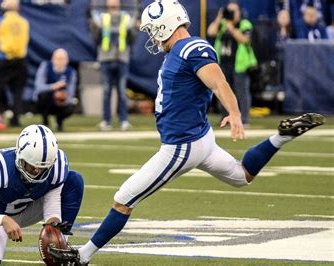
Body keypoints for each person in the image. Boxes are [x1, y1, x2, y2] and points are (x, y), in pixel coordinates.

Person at [48, 1, 325, 264]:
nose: (153, 37)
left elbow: (218, 82)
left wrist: (235, 113)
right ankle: (281, 137)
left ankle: (81, 256)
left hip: (182, 145)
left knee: (124, 198)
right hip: (200, 138)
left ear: (165, 24)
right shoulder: (180, 51)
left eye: (153, 29)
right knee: (243, 176)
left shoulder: (191, 48)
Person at [0, 124, 84, 265]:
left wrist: (53, 231)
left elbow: (52, 205)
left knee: (74, 180)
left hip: (30, 208)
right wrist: (3, 220)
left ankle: (63, 245)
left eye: (43, 168)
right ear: (20, 156)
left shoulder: (57, 166)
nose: (37, 171)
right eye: (32, 165)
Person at [207, 1, 258, 126]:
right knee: (223, 90)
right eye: (228, 11)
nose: (231, 14)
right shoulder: (223, 24)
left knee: (242, 92)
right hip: (223, 63)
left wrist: (232, 28)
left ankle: (244, 118)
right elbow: (211, 32)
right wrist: (219, 18)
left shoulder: (244, 24)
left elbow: (245, 39)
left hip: (239, 64)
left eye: (233, 11)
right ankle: (226, 116)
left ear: (239, 12)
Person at [90, 0, 136, 131]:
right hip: (105, 59)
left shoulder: (126, 19)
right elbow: (95, 39)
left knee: (122, 91)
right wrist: (95, 27)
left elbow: (132, 39)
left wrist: (132, 29)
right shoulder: (101, 19)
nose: (113, 7)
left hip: (122, 58)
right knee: (106, 91)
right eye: (111, 5)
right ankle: (106, 121)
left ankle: (124, 121)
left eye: (115, 4)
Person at [0, 0, 29, 127]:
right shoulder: (24, 22)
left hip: (4, 59)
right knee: (18, 92)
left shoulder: (0, 22)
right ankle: (15, 119)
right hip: (20, 60)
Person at [34, 48, 77, 132]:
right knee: (43, 96)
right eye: (58, 58)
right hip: (46, 100)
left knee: (72, 104)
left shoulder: (70, 71)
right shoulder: (46, 66)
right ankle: (45, 121)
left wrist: (64, 97)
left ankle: (59, 121)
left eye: (62, 59)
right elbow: (39, 87)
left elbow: (71, 91)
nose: (60, 61)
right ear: (53, 59)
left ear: (67, 60)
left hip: (60, 103)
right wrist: (54, 87)